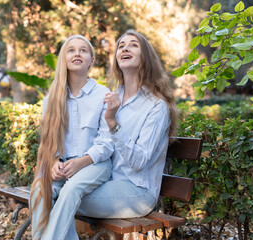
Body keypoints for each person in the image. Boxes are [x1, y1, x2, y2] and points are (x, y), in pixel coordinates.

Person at [66, 29, 178, 239]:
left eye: (134, 45)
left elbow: (139, 162)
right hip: (106, 182)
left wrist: (113, 122)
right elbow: (99, 143)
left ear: (146, 57)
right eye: (121, 45)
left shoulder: (156, 106)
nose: (125, 48)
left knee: (63, 195)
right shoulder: (112, 96)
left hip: (137, 191)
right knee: (56, 190)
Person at [29, 35, 114, 240]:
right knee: (39, 191)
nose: (77, 53)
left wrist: (81, 163)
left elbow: (106, 143)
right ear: (63, 59)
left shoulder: (102, 94)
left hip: (95, 164)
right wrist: (54, 163)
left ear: (91, 60)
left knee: (71, 188)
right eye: (71, 50)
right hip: (63, 167)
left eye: (83, 50)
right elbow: (49, 142)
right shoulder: (52, 98)